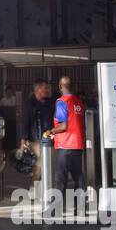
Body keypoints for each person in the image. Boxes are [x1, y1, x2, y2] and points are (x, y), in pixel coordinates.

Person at [52, 76, 86, 210]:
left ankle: (55, 209)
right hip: (78, 144)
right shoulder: (78, 102)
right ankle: (81, 207)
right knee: (78, 176)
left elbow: (63, 126)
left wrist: (50, 131)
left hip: (65, 144)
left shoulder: (61, 101)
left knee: (61, 177)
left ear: (60, 87)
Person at [20, 80, 54, 182]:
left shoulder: (49, 102)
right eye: (45, 88)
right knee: (39, 165)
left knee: (47, 164)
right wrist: (23, 140)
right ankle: (35, 188)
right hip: (35, 140)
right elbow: (25, 122)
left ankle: (45, 187)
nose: (47, 90)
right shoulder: (29, 104)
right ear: (38, 89)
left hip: (49, 139)